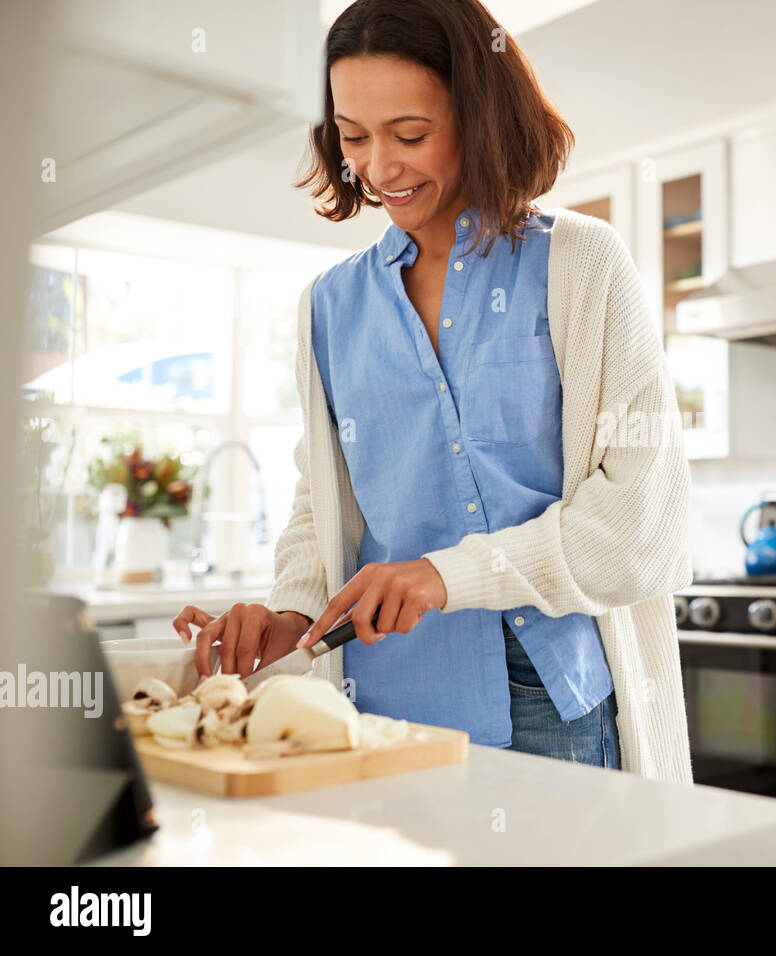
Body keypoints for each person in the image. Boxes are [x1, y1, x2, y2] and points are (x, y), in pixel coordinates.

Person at [171, 0, 694, 780]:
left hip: (549, 703)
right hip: (381, 711)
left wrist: (448, 575)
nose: (380, 169)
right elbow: (324, 505)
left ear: (479, 117)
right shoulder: (331, 306)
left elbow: (641, 523)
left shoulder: (582, 265)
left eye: (410, 134)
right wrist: (290, 615)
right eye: (354, 137)